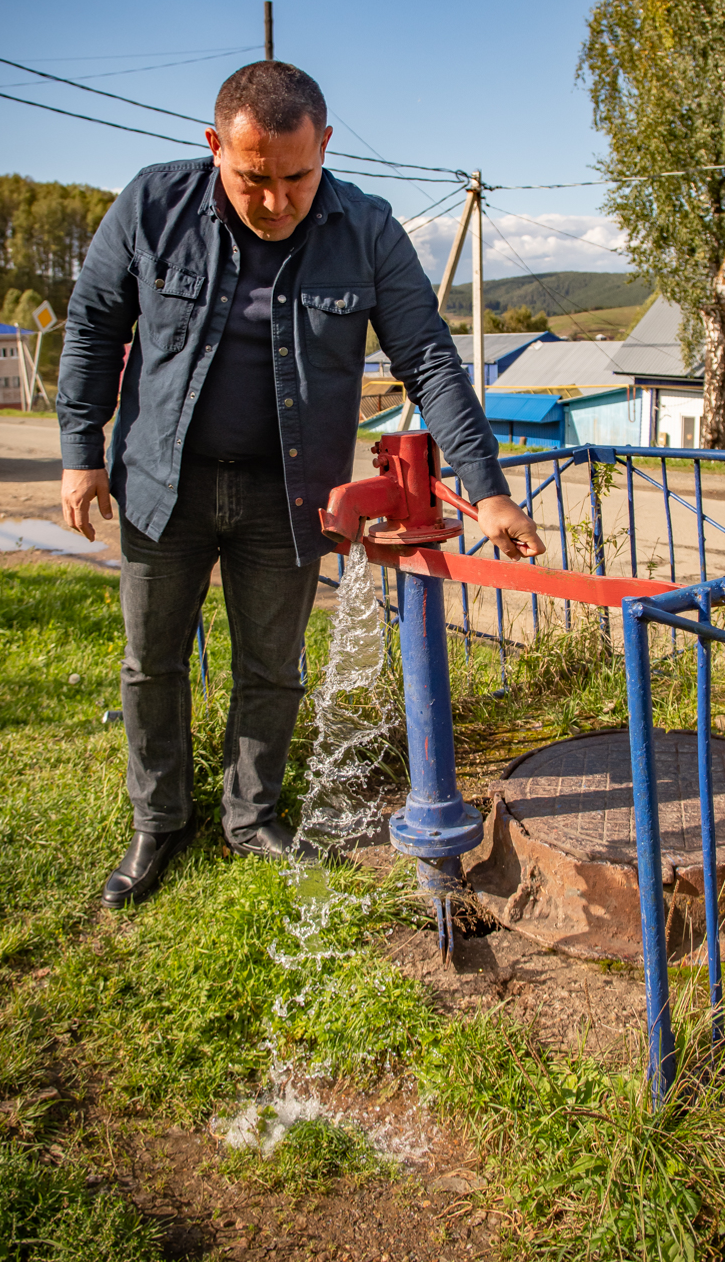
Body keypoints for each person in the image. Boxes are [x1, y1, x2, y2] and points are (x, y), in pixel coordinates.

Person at [57, 61, 545, 908]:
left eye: (297, 177)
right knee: (152, 663)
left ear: (325, 143)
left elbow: (427, 355)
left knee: (273, 666)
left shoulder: (368, 229)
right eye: (253, 179)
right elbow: (96, 321)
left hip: (287, 492)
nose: (277, 201)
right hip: (159, 483)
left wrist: (487, 486)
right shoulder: (151, 204)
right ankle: (159, 822)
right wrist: (78, 449)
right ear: (215, 149)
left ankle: (252, 818)